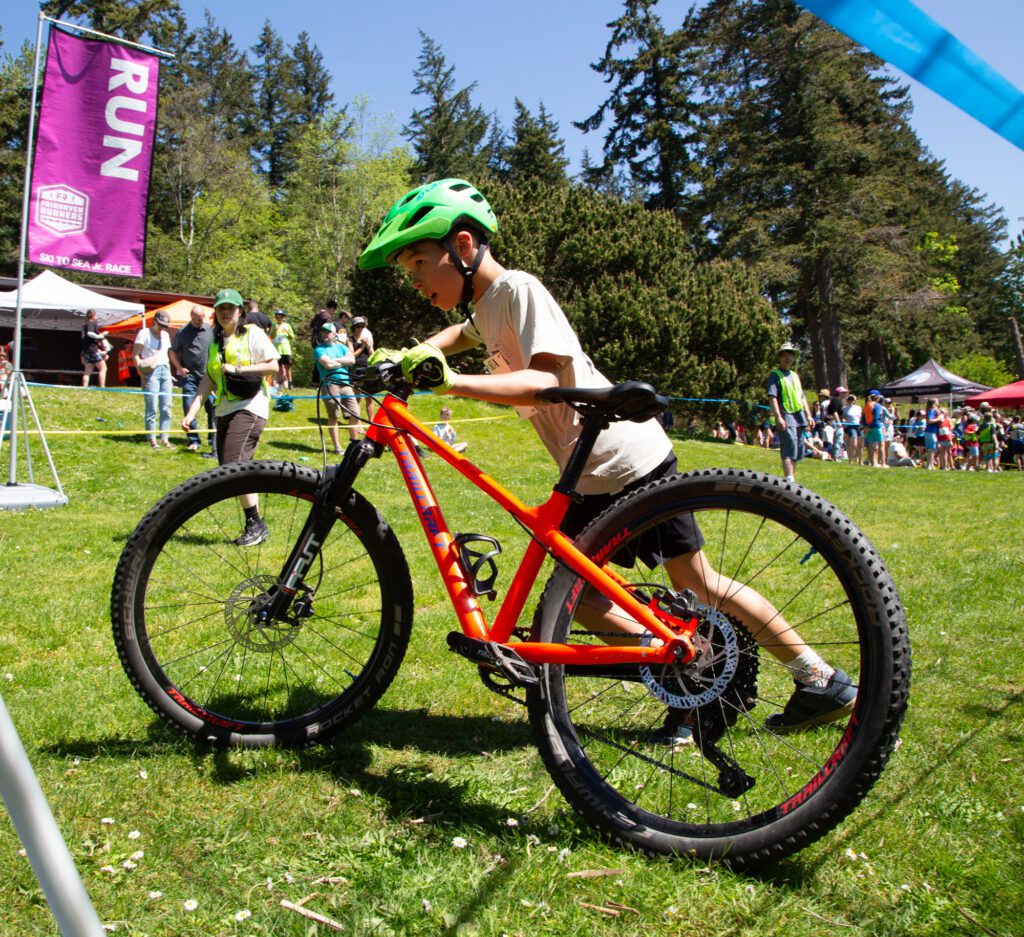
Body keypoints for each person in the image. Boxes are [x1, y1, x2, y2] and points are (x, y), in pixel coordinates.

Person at [358, 177, 856, 735]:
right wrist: (418, 351)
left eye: (420, 263)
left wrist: (452, 384)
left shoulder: (519, 290)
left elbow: (546, 377)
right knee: (590, 600)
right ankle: (704, 677)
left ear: (465, 246)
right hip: (591, 472)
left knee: (687, 585)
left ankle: (805, 678)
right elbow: (462, 333)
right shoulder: (486, 306)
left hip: (622, 460)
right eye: (408, 272)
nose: (416, 281)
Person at [181, 288, 279, 545]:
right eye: (221, 308)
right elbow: (208, 381)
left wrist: (238, 368)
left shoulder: (252, 334)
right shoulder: (214, 342)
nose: (225, 312)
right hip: (224, 408)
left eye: (230, 308)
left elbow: (273, 366)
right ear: (215, 312)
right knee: (232, 469)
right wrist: (191, 413)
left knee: (234, 467)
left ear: (240, 312)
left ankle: (255, 525)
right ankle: (256, 523)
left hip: (250, 405)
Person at [169, 305, 216, 455]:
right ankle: (194, 440)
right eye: (194, 319)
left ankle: (213, 439)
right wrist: (179, 368)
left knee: (213, 410)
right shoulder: (182, 332)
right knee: (189, 409)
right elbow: (172, 351)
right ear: (190, 316)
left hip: (209, 377)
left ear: (204, 317)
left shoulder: (211, 330)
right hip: (190, 378)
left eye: (199, 319)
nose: (196, 322)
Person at [767, 341, 813, 483]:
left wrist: (809, 415)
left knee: (798, 447)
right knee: (789, 444)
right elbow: (772, 397)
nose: (788, 358)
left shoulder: (794, 375)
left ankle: (792, 479)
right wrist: (778, 417)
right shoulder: (775, 375)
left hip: (798, 415)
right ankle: (788, 479)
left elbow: (802, 397)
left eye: (790, 355)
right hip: (785, 414)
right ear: (780, 358)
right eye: (785, 355)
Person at [313, 322, 360, 454]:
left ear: (334, 334)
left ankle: (354, 444)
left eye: (326, 332)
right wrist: (341, 361)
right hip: (330, 384)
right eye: (322, 332)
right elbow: (327, 364)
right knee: (334, 415)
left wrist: (335, 361)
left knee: (355, 413)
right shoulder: (318, 349)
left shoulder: (342, 347)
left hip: (346, 383)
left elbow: (352, 361)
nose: (323, 334)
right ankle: (337, 447)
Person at [133, 310, 174, 449]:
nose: (163, 328)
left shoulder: (166, 335)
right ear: (154, 321)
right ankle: (152, 438)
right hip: (151, 372)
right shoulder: (143, 333)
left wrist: (170, 373)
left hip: (165, 370)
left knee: (167, 407)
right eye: (160, 325)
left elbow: (166, 354)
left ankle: (164, 438)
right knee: (152, 407)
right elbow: (135, 355)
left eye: (165, 326)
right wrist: (141, 375)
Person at [350, 315, 377, 423]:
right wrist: (361, 347)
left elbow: (373, 355)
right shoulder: (350, 339)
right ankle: (358, 423)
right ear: (354, 327)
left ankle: (371, 422)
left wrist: (368, 346)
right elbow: (352, 355)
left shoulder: (367, 339)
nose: (360, 328)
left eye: (362, 326)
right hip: (356, 368)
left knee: (369, 397)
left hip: (368, 368)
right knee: (357, 397)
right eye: (358, 326)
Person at [81, 310, 110, 388]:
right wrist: (99, 336)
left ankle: (84, 387)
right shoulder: (91, 323)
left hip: (86, 352)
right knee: (103, 369)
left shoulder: (85, 325)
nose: (97, 317)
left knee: (87, 372)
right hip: (93, 351)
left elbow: (87, 339)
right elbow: (90, 334)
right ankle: (102, 387)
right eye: (96, 315)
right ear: (93, 315)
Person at [272, 310, 296, 390]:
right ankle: (280, 383)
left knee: (288, 367)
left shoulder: (287, 325)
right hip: (277, 350)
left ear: (284, 318)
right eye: (277, 317)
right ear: (275, 317)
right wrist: (275, 331)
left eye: (281, 317)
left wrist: (288, 333)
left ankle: (290, 383)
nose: (279, 318)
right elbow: (271, 336)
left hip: (286, 350)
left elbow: (292, 337)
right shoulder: (273, 325)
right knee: (278, 368)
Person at [861, 390, 886, 467]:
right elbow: (876, 417)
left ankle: (872, 463)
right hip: (876, 426)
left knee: (871, 445)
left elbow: (863, 418)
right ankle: (883, 464)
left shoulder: (866, 405)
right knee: (881, 444)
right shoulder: (877, 406)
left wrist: (866, 427)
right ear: (877, 398)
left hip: (868, 427)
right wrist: (871, 427)